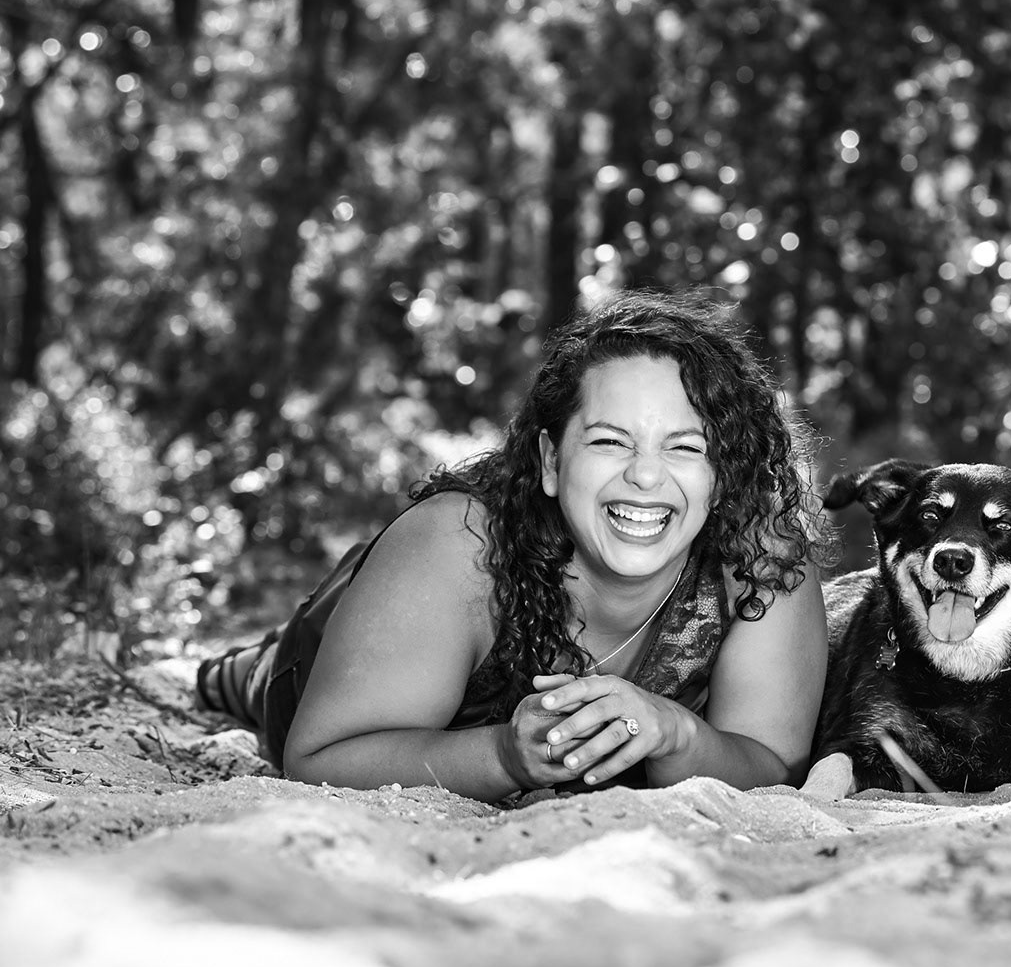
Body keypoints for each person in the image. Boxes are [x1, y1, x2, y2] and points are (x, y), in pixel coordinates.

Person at [195, 289, 829, 800]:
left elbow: (770, 760)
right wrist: (504, 755)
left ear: (725, 477)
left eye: (686, 447)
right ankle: (240, 667)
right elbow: (321, 757)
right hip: (345, 649)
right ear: (552, 462)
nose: (645, 474)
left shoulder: (763, 562)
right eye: (610, 440)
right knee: (258, 678)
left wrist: (677, 735)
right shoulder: (461, 543)